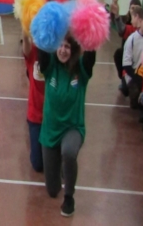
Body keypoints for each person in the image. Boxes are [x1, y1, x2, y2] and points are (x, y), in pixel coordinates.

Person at [34, 33, 97, 217]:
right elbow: (42, 52)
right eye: (60, 46)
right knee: (52, 190)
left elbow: (90, 56)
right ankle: (63, 169)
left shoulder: (81, 69)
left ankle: (69, 198)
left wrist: (91, 32)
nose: (63, 50)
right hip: (50, 131)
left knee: (69, 152)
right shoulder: (50, 66)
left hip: (72, 127)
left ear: (74, 50)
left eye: (67, 47)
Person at [23, 32, 44, 173]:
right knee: (38, 165)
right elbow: (26, 45)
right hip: (35, 116)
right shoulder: (33, 52)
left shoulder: (59, 53)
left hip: (53, 118)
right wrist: (25, 31)